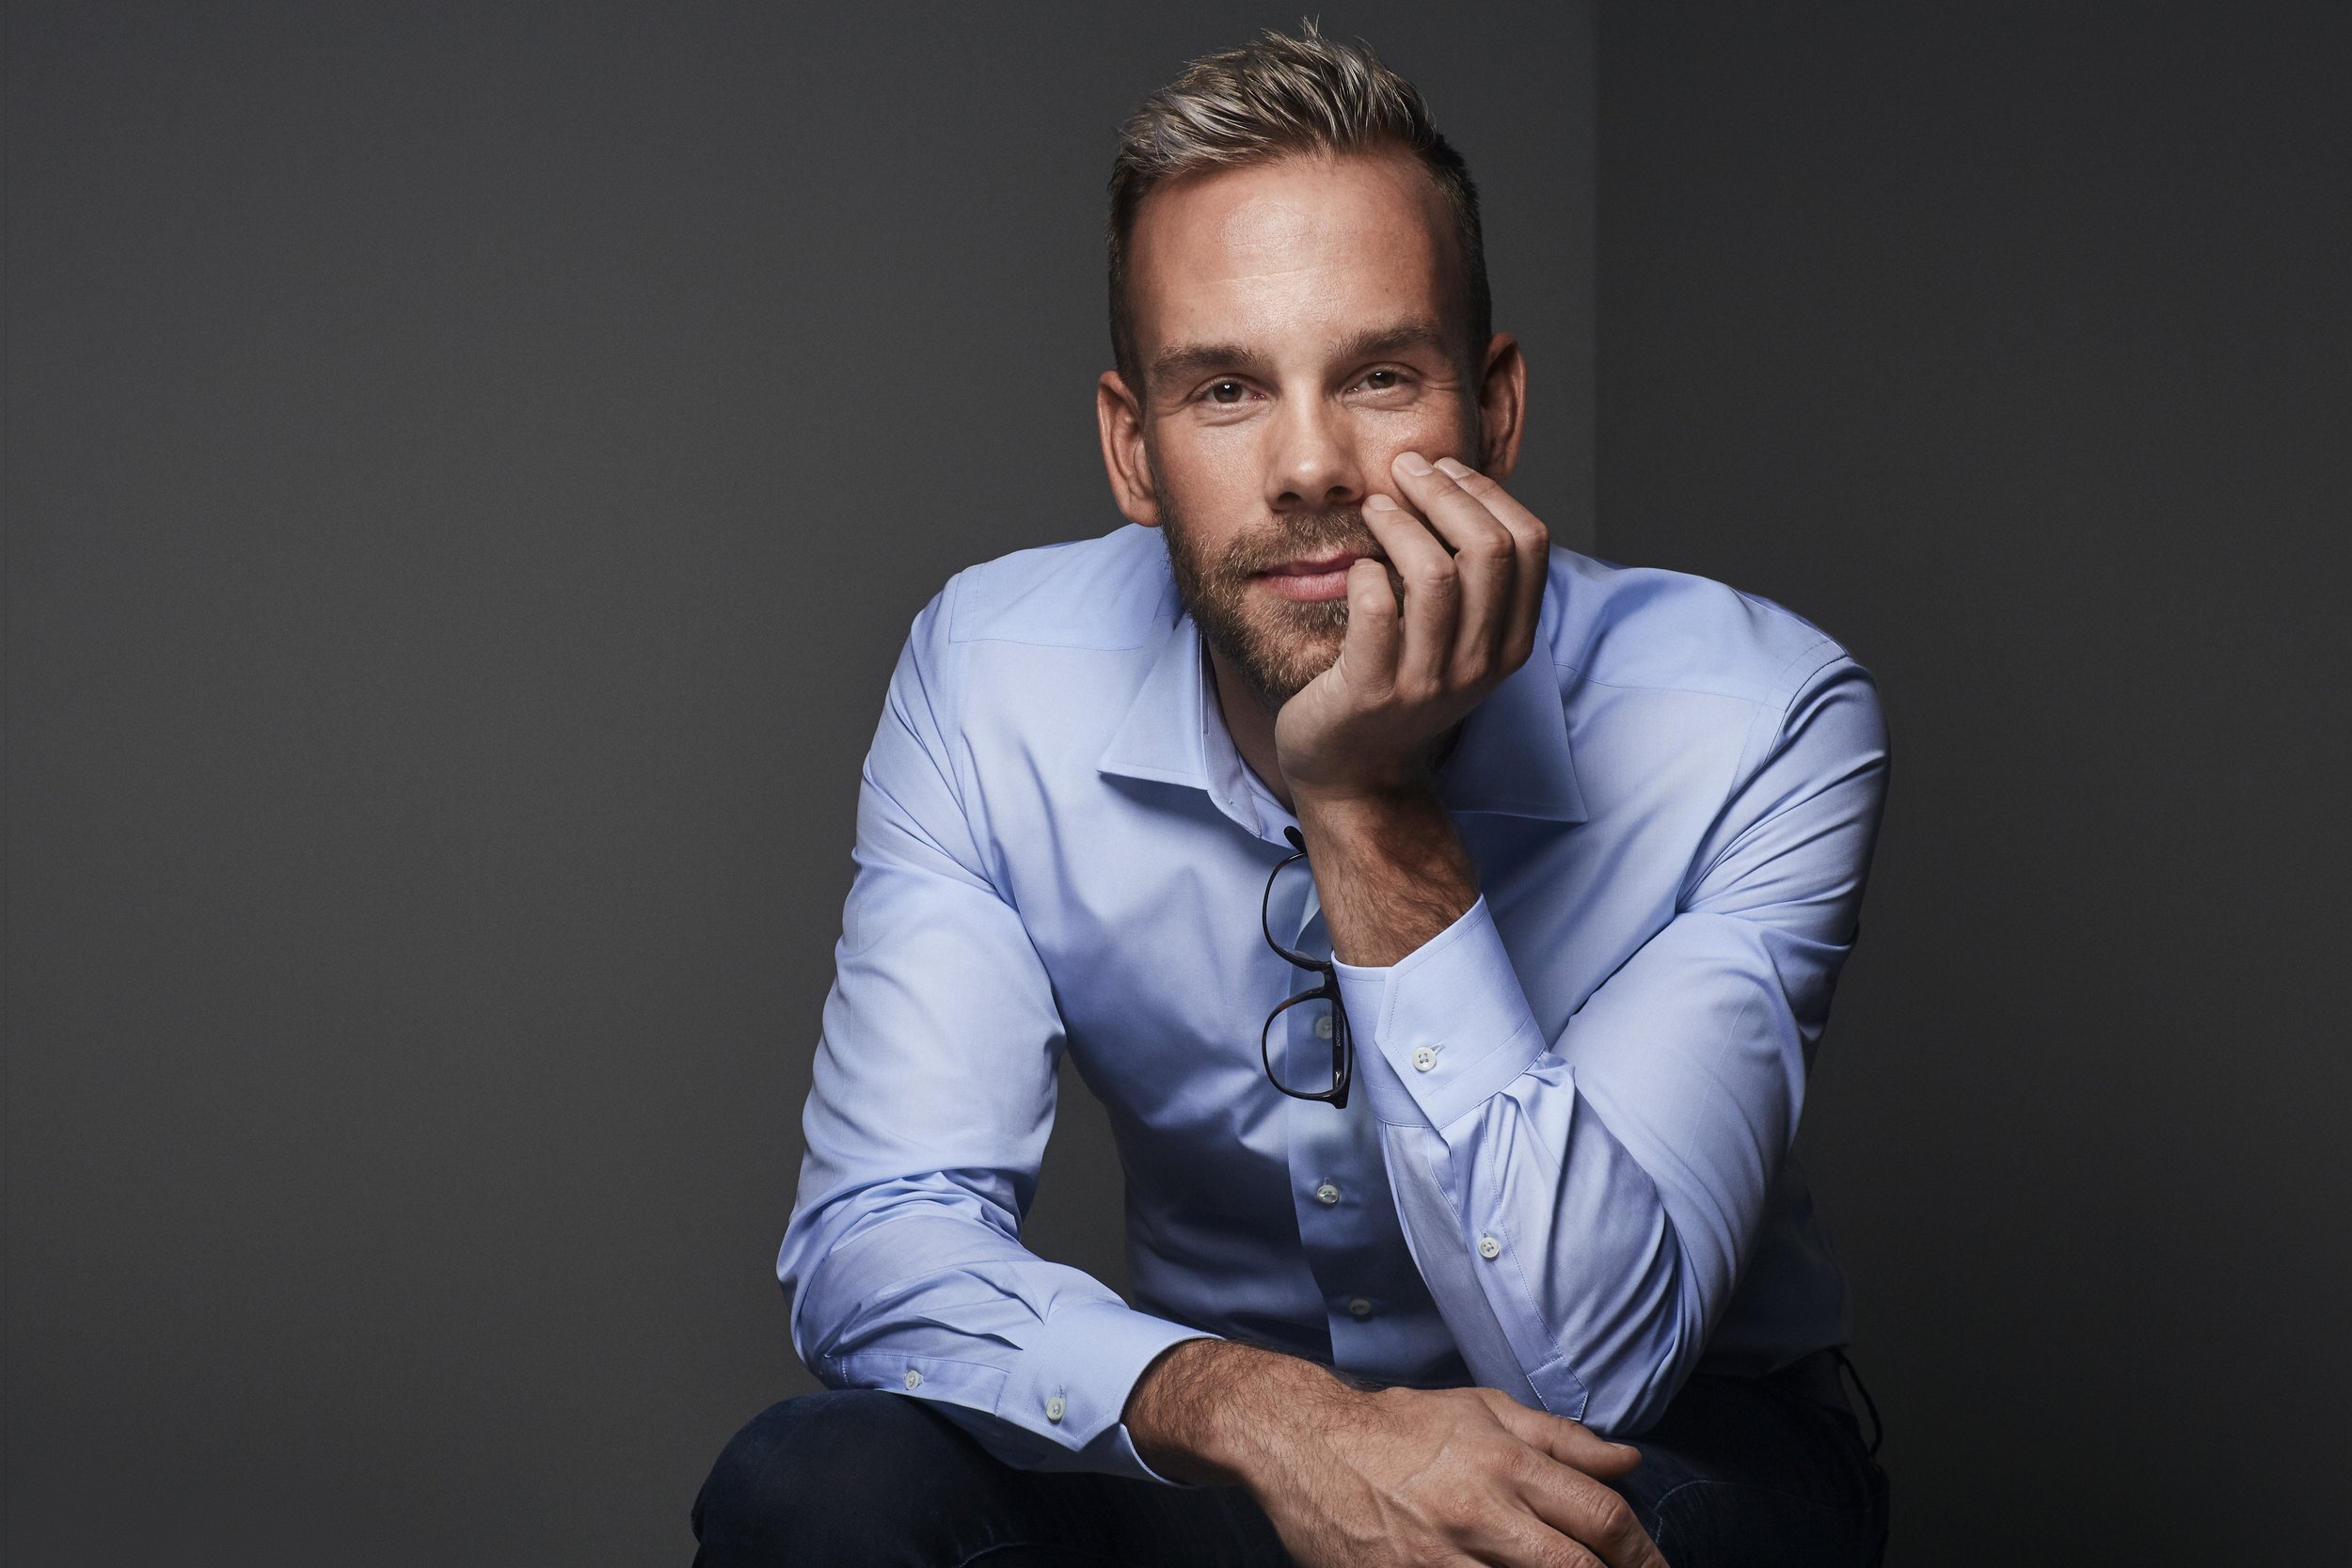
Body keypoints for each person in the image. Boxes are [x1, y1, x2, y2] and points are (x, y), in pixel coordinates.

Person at [693, 24, 1890, 1568]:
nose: (1312, 466)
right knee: (814, 1487)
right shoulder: (990, 676)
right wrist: (1273, 1420)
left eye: (1381, 375)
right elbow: (876, 1240)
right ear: (1134, 451)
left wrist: (1365, 799)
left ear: (1496, 408)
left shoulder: (1756, 720)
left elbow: (1593, 1370)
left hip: (1667, 1449)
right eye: (1225, 391)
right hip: (1238, 1463)